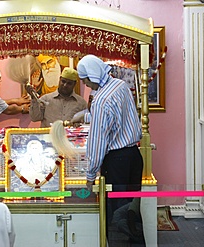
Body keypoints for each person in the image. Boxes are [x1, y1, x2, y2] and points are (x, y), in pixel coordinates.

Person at [76, 55, 143, 237]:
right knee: (132, 210)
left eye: (85, 80)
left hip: (116, 162)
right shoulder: (120, 86)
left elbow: (98, 143)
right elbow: (115, 119)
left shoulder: (101, 100)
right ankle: (135, 239)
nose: (86, 85)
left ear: (92, 76)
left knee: (116, 216)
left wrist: (90, 177)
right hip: (134, 156)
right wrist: (85, 117)